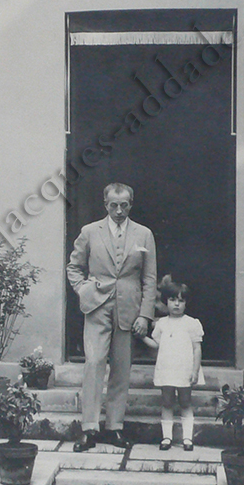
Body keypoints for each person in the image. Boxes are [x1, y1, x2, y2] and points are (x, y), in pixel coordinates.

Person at [66, 182, 157, 451]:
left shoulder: (144, 234)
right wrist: (83, 289)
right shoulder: (90, 231)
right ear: (105, 204)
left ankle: (115, 427)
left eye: (124, 205)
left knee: (121, 367)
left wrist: (145, 315)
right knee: (94, 363)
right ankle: (89, 429)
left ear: (131, 204)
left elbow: (149, 278)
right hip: (96, 305)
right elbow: (74, 267)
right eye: (113, 205)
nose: (119, 210)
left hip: (129, 307)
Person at [141, 275, 203, 451]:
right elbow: (156, 344)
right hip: (167, 369)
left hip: (184, 369)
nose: (177, 304)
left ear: (186, 303)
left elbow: (197, 348)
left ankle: (187, 438)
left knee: (185, 402)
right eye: (172, 300)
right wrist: (142, 337)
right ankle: (166, 437)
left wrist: (195, 370)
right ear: (165, 302)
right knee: (167, 402)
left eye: (181, 301)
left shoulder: (192, 323)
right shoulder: (161, 323)